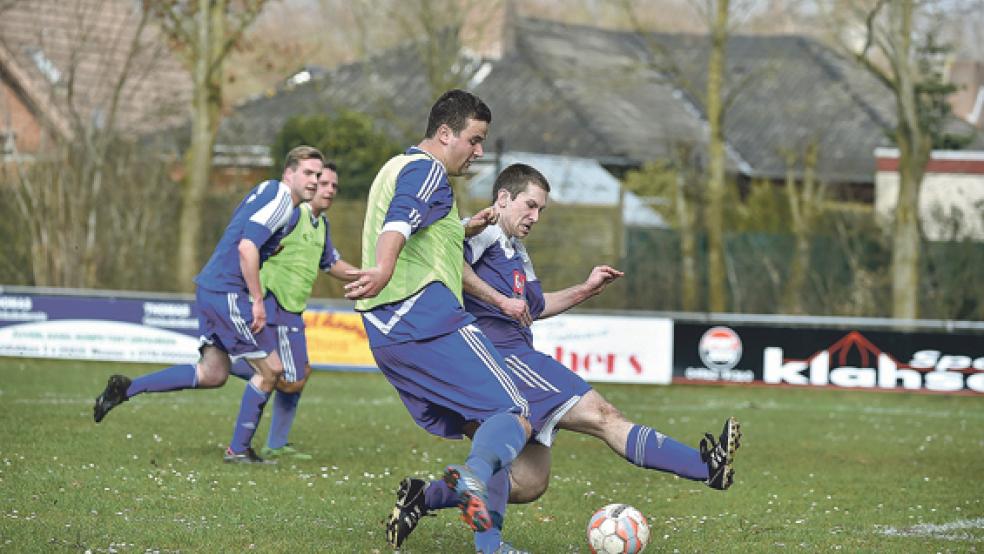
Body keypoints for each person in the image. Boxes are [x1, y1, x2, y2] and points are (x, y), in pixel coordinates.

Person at [386, 163, 742, 551]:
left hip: (513, 355)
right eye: (530, 205)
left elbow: (534, 306)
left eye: (541, 210)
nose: (535, 217)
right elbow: (448, 263)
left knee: (528, 482)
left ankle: (427, 497)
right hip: (503, 357)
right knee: (604, 416)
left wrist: (586, 289)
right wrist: (498, 299)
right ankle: (706, 468)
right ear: (503, 198)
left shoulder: (515, 250)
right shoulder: (483, 231)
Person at [343, 89, 533, 553]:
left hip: (388, 337)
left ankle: (481, 537)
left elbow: (422, 227)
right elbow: (402, 218)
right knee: (514, 415)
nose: (479, 151)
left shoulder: (395, 167)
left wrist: (465, 227)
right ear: (444, 134)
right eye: (474, 139)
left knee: (491, 441)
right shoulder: (427, 170)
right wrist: (385, 266)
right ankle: (466, 489)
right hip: (425, 317)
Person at [93, 146, 325, 464]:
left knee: (213, 373)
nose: (315, 180)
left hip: (212, 289)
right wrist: (257, 300)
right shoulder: (283, 201)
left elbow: (242, 233)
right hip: (228, 292)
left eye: (318, 175)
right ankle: (239, 450)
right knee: (272, 371)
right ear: (289, 174)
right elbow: (246, 248)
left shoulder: (268, 192)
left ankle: (128, 388)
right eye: (308, 173)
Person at [227, 162, 358, 460]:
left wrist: (368, 276)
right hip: (274, 304)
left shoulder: (321, 224)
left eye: (334, 186)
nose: (329, 190)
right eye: (323, 183)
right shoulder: (291, 214)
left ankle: (276, 443)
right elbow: (251, 244)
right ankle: (233, 365)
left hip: (293, 310)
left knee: (300, 373)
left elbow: (331, 264)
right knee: (288, 376)